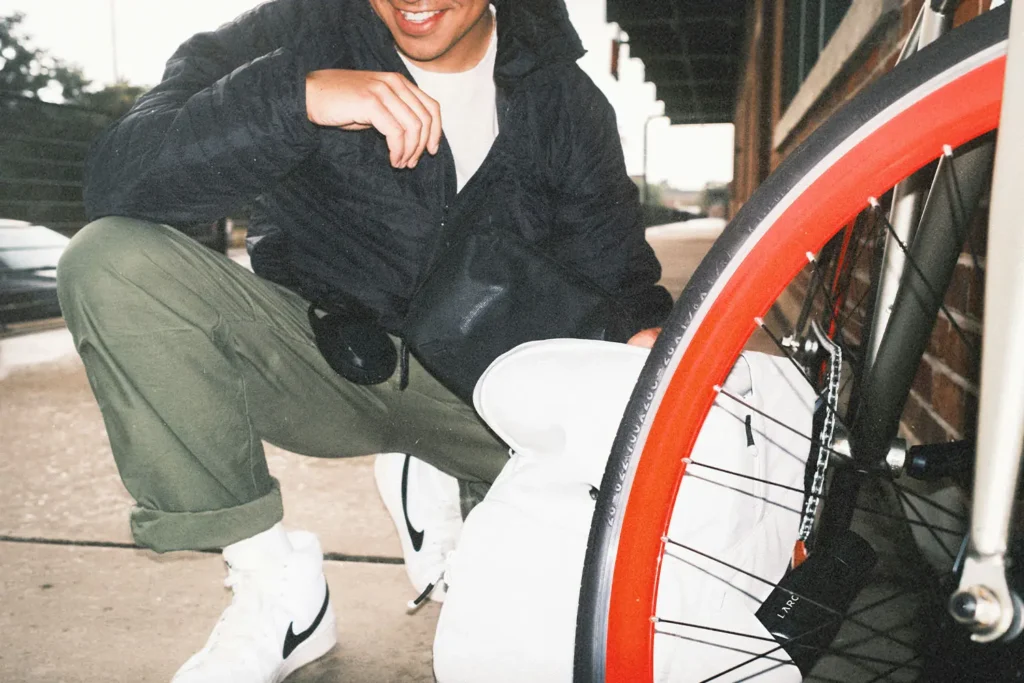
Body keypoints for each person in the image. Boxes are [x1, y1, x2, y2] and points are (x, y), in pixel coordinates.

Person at [55, 0, 672, 680]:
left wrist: (644, 352)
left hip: (489, 394)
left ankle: (451, 481)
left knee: (572, 623)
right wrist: (296, 97)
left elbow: (619, 280)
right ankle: (278, 592)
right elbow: (118, 176)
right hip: (329, 358)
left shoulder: (562, 94)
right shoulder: (293, 32)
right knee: (111, 261)